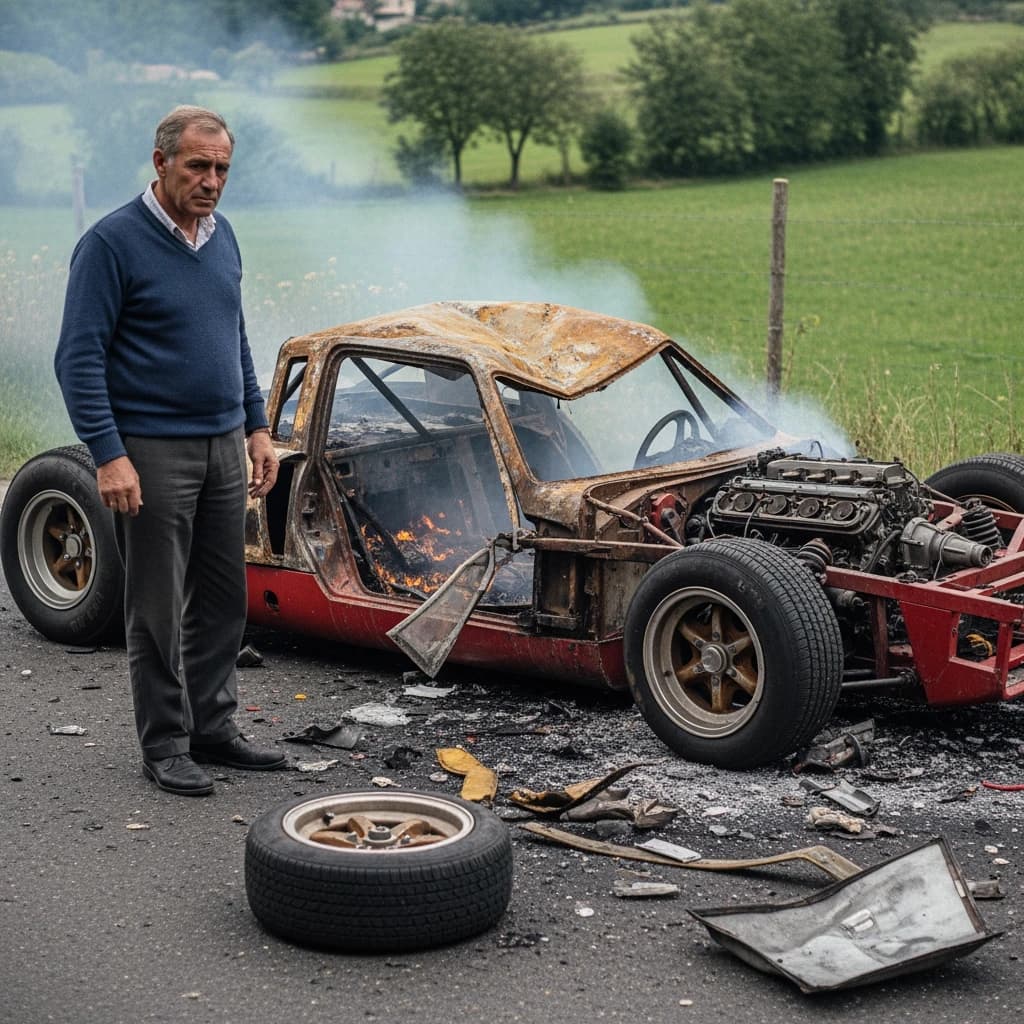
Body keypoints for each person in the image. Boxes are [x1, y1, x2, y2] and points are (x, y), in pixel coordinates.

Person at [54, 105, 285, 796]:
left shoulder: (222, 237)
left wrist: (257, 425)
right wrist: (108, 453)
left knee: (223, 600)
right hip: (151, 450)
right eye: (197, 166)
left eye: (221, 169)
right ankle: (165, 744)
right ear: (160, 164)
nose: (211, 181)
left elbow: (233, 338)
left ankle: (213, 727)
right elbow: (78, 358)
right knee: (155, 605)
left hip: (222, 446)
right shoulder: (111, 244)